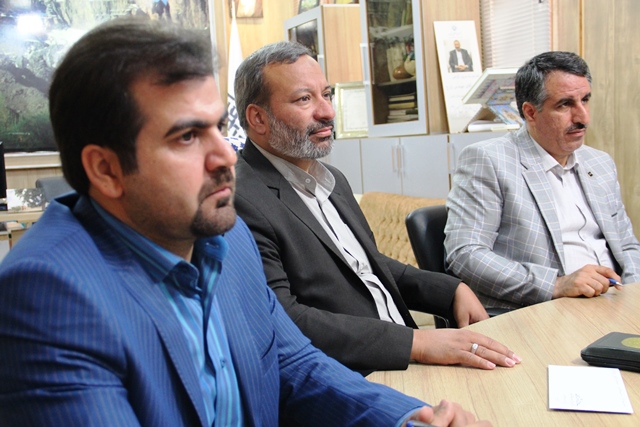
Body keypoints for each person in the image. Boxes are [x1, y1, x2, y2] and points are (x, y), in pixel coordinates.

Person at [0, 17, 490, 427]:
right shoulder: (46, 295)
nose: (226, 157)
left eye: (217, 127)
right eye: (187, 137)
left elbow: (293, 363)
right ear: (106, 169)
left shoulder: (226, 236)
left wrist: (407, 418)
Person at [233, 41, 521, 375]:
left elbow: (365, 264)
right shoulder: (240, 199)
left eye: (326, 94)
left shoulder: (332, 179)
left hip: (405, 357)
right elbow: (283, 319)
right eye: (304, 99)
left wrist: (450, 289)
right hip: (352, 377)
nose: (327, 112)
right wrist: (417, 344)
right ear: (258, 118)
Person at [445, 51, 640, 312]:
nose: (583, 118)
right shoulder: (489, 160)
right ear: (530, 112)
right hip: (541, 309)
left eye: (585, 100)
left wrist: (633, 294)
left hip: (614, 302)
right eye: (565, 105)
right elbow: (466, 254)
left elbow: (626, 245)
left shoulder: (599, 163)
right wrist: (556, 285)